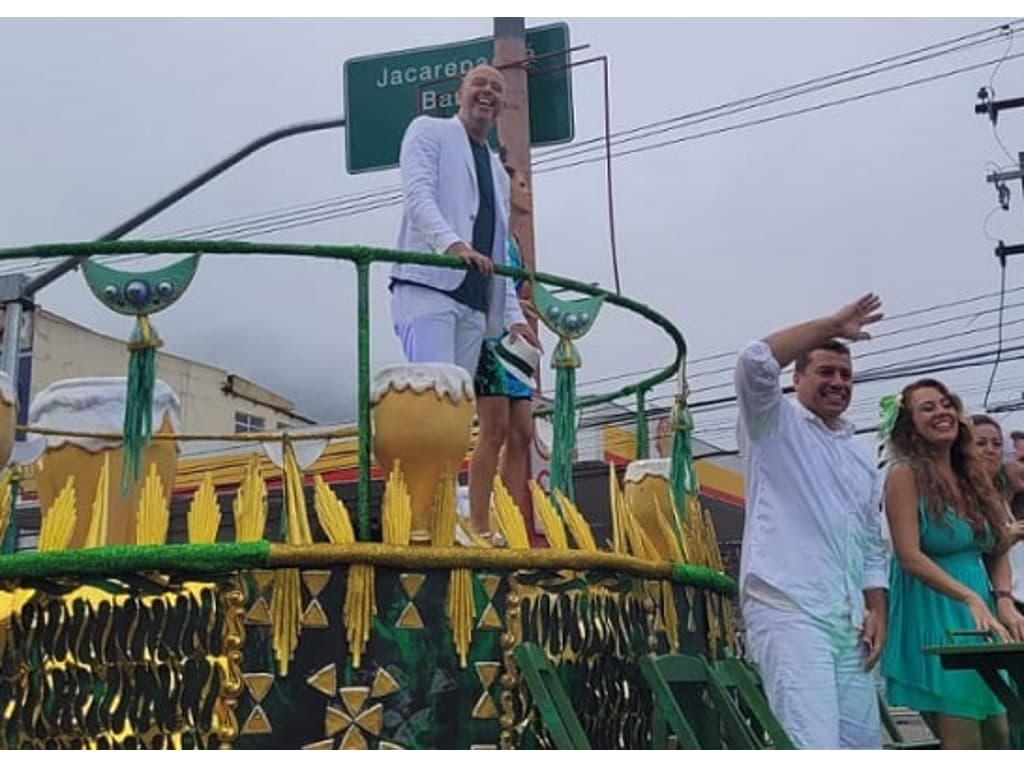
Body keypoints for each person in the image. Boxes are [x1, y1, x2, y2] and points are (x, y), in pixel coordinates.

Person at [390, 64, 540, 536]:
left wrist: (513, 316)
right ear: (459, 93)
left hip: (477, 305)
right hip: (430, 287)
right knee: (432, 403)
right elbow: (417, 195)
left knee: (458, 418)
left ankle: (444, 518)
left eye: (497, 88)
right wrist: (451, 245)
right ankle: (417, 519)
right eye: (480, 84)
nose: (488, 93)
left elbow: (496, 244)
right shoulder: (428, 132)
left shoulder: (496, 170)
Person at [735, 293, 888, 749]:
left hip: (849, 621)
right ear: (796, 379)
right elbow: (754, 361)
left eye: (845, 375)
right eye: (825, 371)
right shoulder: (773, 424)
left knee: (862, 749)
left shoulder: (859, 456)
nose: (838, 382)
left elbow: (870, 544)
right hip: (789, 610)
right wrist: (831, 326)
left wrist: (878, 608)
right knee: (811, 746)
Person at [881, 385, 1024, 749]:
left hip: (980, 610)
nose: (941, 411)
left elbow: (997, 546)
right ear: (909, 426)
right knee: (964, 740)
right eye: (927, 408)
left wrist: (1003, 598)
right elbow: (909, 556)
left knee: (999, 734)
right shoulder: (904, 475)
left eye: (946, 404)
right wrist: (968, 597)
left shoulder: (972, 476)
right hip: (935, 608)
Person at [972, 414, 1024, 617]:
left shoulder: (1006, 504)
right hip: (992, 604)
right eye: (1021, 460)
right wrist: (1007, 536)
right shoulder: (975, 499)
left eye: (996, 445)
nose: (990, 451)